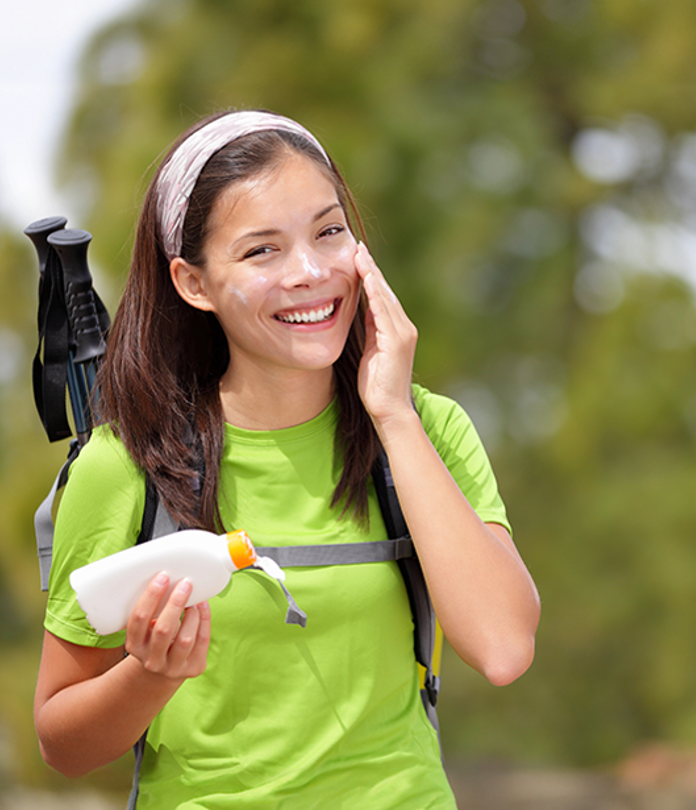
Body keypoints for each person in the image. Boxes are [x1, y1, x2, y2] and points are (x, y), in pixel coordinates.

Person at [32, 109, 540, 808]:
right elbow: (62, 741)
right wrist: (151, 675)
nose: (310, 272)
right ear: (194, 283)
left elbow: (503, 648)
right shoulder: (126, 467)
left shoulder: (428, 430)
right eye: (262, 251)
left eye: (329, 231)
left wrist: (391, 415)